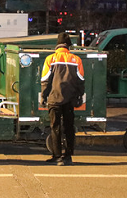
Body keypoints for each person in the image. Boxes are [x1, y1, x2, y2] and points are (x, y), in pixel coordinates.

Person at [40, 32, 85, 166]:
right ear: (68, 46)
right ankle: (68, 156)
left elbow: (44, 80)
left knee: (55, 127)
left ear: (57, 45)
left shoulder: (50, 59)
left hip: (54, 99)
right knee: (69, 127)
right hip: (70, 99)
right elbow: (81, 80)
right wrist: (79, 95)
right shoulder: (76, 60)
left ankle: (57, 156)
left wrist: (44, 95)